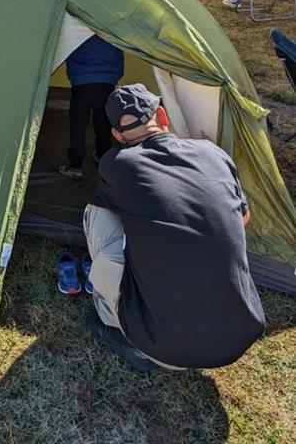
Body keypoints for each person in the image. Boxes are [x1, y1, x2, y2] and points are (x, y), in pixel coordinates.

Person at [83, 83, 265, 371]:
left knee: (97, 212)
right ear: (162, 115)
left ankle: (110, 317)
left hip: (166, 349)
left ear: (117, 135)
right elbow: (243, 219)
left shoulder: (116, 164)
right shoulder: (213, 152)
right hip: (241, 334)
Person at [58, 35, 124, 180]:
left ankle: (75, 167)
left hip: (81, 85)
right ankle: (102, 157)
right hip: (106, 83)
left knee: (78, 127)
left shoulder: (77, 29)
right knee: (103, 125)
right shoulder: (113, 29)